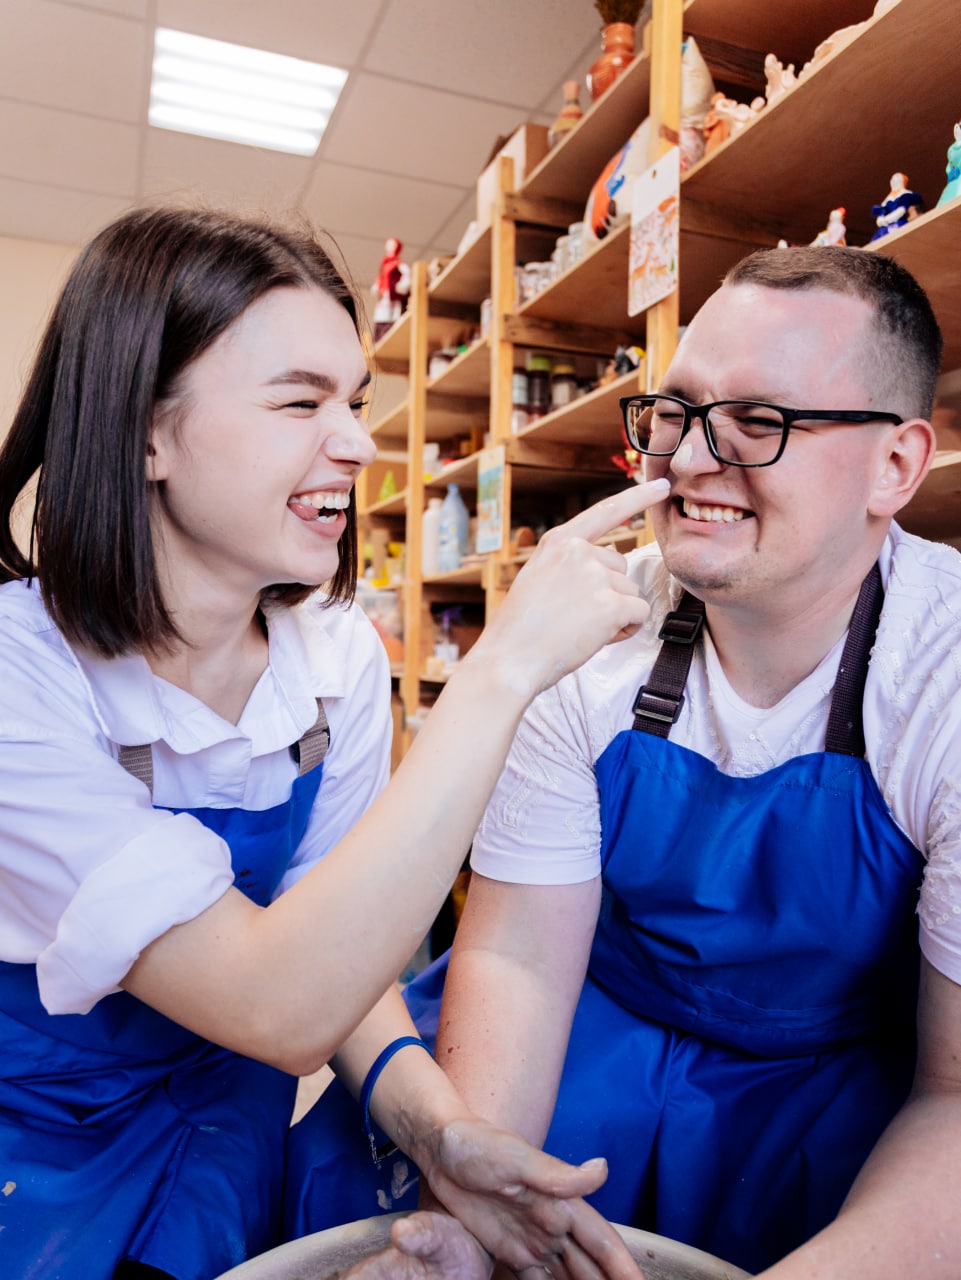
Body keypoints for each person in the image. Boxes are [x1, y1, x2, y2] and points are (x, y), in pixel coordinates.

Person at [0, 205, 672, 1280]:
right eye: (299, 401)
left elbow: (336, 962)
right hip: (29, 1125)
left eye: (355, 402)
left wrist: (437, 1127)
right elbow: (275, 996)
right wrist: (501, 669)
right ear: (146, 432)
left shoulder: (334, 656)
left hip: (223, 1105)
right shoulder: (16, 673)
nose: (358, 440)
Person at [294, 245, 961, 1280]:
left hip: (844, 1075)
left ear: (896, 466)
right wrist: (465, 1218)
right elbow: (517, 958)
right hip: (601, 1019)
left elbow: (954, 1095)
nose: (690, 459)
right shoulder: (590, 634)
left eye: (759, 420)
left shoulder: (942, 678)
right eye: (677, 409)